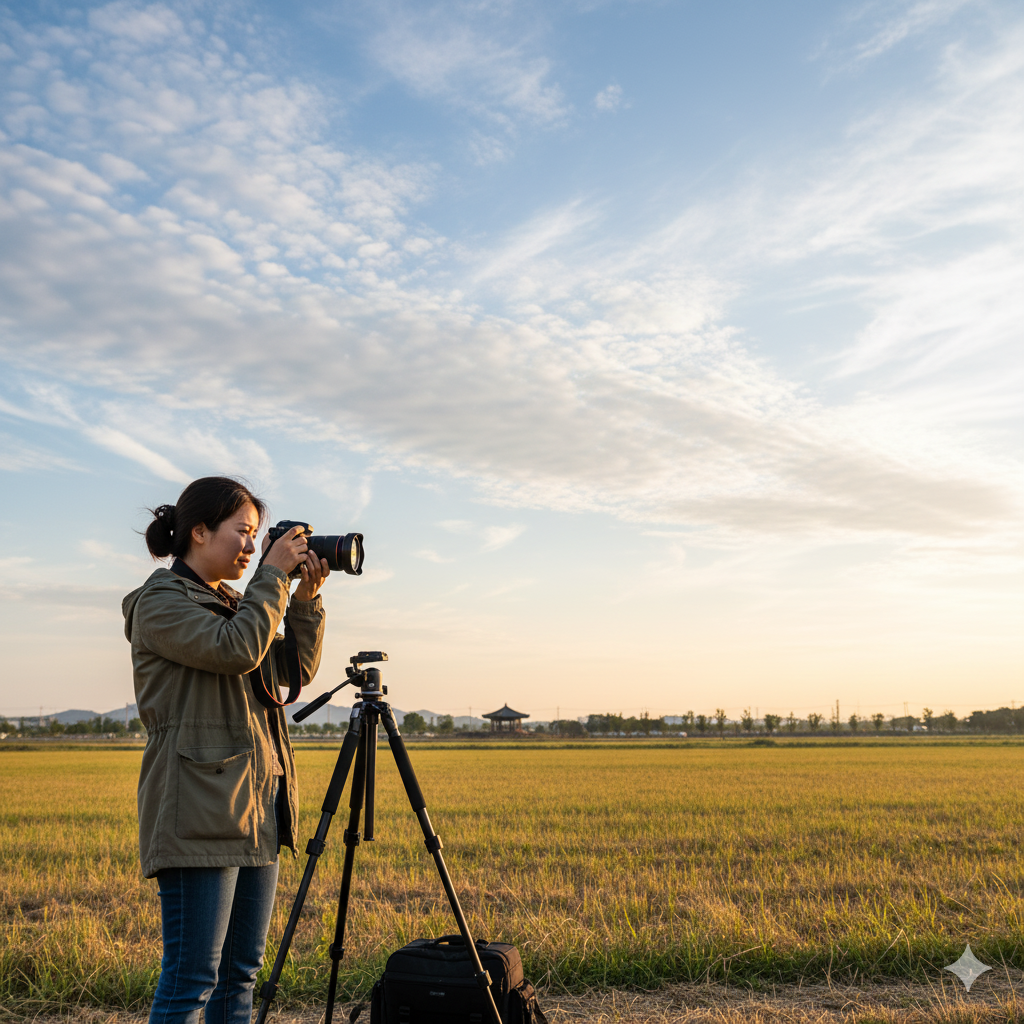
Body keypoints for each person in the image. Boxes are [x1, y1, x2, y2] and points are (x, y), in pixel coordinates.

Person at [123, 476, 330, 1024]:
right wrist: (271, 578)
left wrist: (303, 602)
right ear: (197, 531)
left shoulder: (239, 602)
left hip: (256, 804)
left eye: (257, 536)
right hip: (198, 808)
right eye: (242, 532)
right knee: (192, 979)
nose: (250, 546)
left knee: (240, 976)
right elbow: (236, 649)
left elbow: (291, 672)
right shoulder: (159, 603)